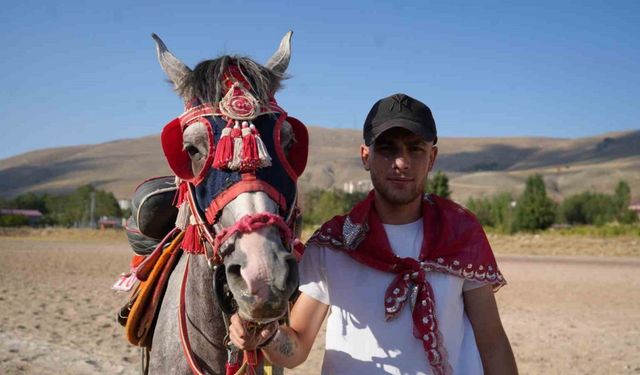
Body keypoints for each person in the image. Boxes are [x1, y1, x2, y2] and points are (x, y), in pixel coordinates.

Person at [230, 93, 518, 374]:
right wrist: (265, 336)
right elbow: (298, 346)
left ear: (432, 158)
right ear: (366, 156)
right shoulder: (335, 243)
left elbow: (491, 342)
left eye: (415, 149)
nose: (401, 162)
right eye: (387, 149)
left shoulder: (460, 234)